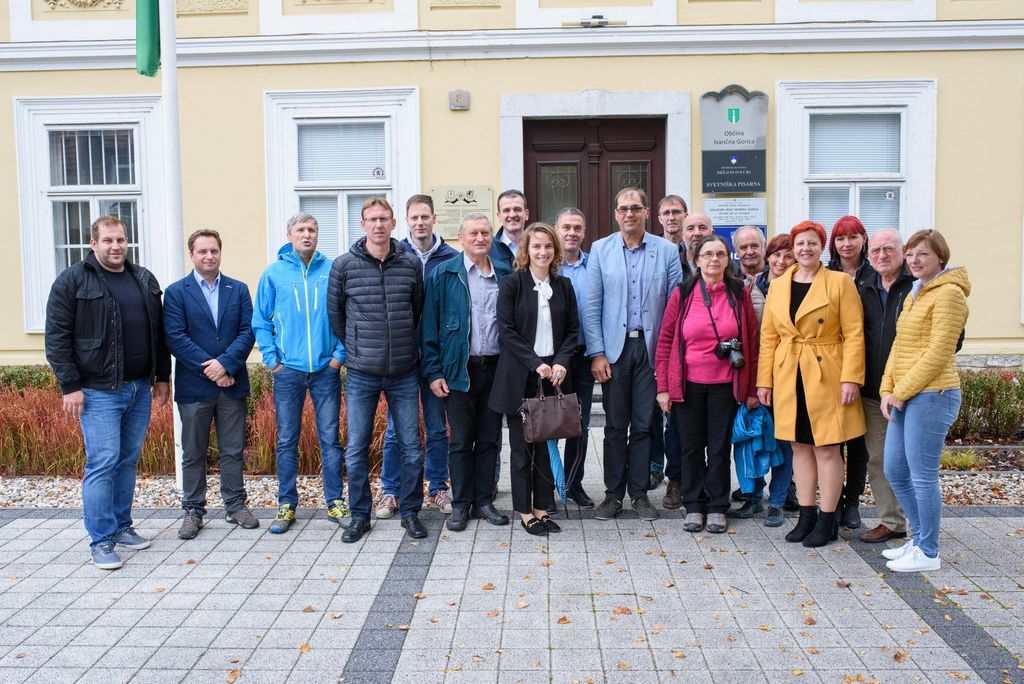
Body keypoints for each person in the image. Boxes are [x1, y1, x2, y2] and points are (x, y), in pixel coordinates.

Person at [45, 215, 171, 569]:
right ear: (93, 243)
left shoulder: (143, 278)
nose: (116, 246)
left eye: (120, 240)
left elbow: (158, 333)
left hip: (139, 388)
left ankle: (121, 526)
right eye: (108, 240)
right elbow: (56, 337)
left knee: (127, 460)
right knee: (103, 462)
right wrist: (70, 386)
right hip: (97, 391)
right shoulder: (72, 280)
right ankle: (101, 540)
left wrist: (162, 376)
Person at [757, 220, 866, 548]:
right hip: (789, 372)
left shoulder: (839, 282)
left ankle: (827, 519)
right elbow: (768, 337)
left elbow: (855, 333)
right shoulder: (779, 285)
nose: (806, 249)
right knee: (799, 446)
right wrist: (764, 381)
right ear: (793, 249)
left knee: (827, 448)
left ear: (822, 247)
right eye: (800, 244)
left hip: (827, 372)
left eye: (812, 243)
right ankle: (806, 516)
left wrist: (851, 377)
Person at [328, 197, 425, 543]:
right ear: (363, 224)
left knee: (411, 446)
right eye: (372, 219)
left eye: (384, 219)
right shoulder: (344, 266)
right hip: (361, 372)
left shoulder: (410, 264)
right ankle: (360, 516)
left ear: (394, 223)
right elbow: (336, 316)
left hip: (403, 370)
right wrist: (356, 346)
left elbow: (416, 310)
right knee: (356, 448)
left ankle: (411, 513)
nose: (379, 225)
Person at [583, 187, 682, 522]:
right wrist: (597, 353)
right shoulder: (600, 250)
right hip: (614, 351)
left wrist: (666, 359)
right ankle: (613, 495)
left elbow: (674, 309)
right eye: (623, 208)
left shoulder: (666, 251)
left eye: (636, 208)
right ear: (616, 213)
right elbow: (591, 306)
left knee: (643, 425)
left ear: (646, 212)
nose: (629, 213)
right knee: (614, 426)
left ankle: (639, 494)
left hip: (651, 350)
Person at [655, 235, 760, 533]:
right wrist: (663, 387)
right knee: (690, 448)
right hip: (688, 384)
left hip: (725, 385)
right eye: (708, 254)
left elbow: (752, 342)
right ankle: (693, 505)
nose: (714, 259)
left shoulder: (738, 292)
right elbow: (665, 341)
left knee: (718, 448)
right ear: (697, 259)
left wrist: (752, 389)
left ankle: (716, 506)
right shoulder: (684, 292)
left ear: (728, 259)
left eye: (720, 254)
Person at [880, 230, 969, 572]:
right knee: (894, 469)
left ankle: (928, 552)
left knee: (922, 476)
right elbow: (899, 346)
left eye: (923, 254)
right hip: (906, 395)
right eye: (911, 254)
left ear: (940, 258)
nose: (915, 260)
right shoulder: (917, 292)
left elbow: (939, 352)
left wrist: (900, 392)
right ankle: (918, 539)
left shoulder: (949, 294)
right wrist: (887, 389)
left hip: (934, 395)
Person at [253, 212, 347, 534]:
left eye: (312, 229)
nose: (307, 234)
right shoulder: (274, 273)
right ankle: (286, 504)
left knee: (330, 439)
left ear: (318, 235)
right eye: (300, 230)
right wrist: (273, 361)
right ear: (289, 235)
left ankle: (335, 501)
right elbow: (261, 321)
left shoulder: (333, 270)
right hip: (288, 371)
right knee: (287, 439)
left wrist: (338, 357)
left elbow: (346, 315)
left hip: (325, 370)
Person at [420, 213, 512, 531]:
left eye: (485, 233)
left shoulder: (504, 273)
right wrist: (434, 372)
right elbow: (429, 327)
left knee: (489, 440)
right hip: (459, 370)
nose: (480, 238)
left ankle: (484, 501)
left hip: (496, 370)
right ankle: (460, 504)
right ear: (460, 237)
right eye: (473, 233)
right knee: (460, 441)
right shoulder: (444, 274)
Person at [164, 229, 257, 539]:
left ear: (220, 252)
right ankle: (193, 509)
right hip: (194, 387)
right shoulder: (176, 292)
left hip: (232, 384)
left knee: (233, 450)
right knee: (193, 451)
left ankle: (235, 505)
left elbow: (247, 331)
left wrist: (226, 364)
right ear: (192, 254)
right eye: (202, 251)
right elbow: (175, 337)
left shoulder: (238, 289)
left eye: (214, 250)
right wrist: (214, 370)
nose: (209, 256)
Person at [488, 223, 579, 536]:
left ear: (555, 250)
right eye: (537, 246)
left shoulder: (564, 286)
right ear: (526, 250)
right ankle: (525, 512)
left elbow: (573, 330)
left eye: (548, 246)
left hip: (553, 377)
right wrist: (535, 363)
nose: (543, 252)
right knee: (521, 449)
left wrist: (562, 362)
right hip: (520, 377)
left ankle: (542, 508)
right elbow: (507, 331)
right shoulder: (512, 284)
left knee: (545, 447)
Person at [378, 195, 458, 519]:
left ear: (434, 218)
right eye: (414, 217)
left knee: (437, 427)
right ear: (406, 221)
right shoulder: (394, 255)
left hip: (436, 359)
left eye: (425, 216)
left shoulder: (451, 258)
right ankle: (391, 490)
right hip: (402, 357)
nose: (420, 222)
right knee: (396, 429)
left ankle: (437, 486)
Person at [858, 228, 912, 543]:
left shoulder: (917, 285)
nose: (882, 255)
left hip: (913, 390)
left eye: (889, 248)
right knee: (879, 458)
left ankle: (921, 524)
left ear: (902, 251)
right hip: (873, 392)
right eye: (876, 250)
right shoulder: (863, 287)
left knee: (914, 461)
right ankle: (892, 521)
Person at [739, 233, 798, 524]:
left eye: (788, 256)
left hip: (788, 375)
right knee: (753, 437)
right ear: (768, 256)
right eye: (777, 255)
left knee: (784, 440)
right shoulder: (751, 285)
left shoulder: (802, 286)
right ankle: (753, 497)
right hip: (754, 374)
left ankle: (777, 500)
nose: (781, 261)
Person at [826, 215, 875, 530]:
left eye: (853, 237)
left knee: (858, 440)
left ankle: (852, 500)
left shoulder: (874, 274)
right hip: (829, 367)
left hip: (866, 364)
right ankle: (831, 499)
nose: (847, 244)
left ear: (863, 239)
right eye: (840, 238)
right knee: (831, 439)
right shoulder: (825, 273)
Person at [555, 207, 597, 508]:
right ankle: (547, 483)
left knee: (578, 423)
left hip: (583, 355)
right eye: (566, 227)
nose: (572, 232)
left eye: (577, 228)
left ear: (584, 232)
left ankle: (573, 484)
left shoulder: (594, 266)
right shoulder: (546, 264)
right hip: (552, 358)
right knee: (547, 421)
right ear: (557, 230)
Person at [651, 195, 690, 508]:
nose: (672, 217)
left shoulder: (702, 254)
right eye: (666, 212)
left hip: (697, 350)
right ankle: (664, 472)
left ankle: (692, 478)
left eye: (677, 212)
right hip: (662, 344)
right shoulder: (654, 252)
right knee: (662, 417)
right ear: (659, 218)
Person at [489, 189, 529, 269]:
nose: (512, 215)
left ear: (526, 214)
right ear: (499, 216)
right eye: (506, 210)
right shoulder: (488, 248)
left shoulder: (538, 246)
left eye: (517, 209)